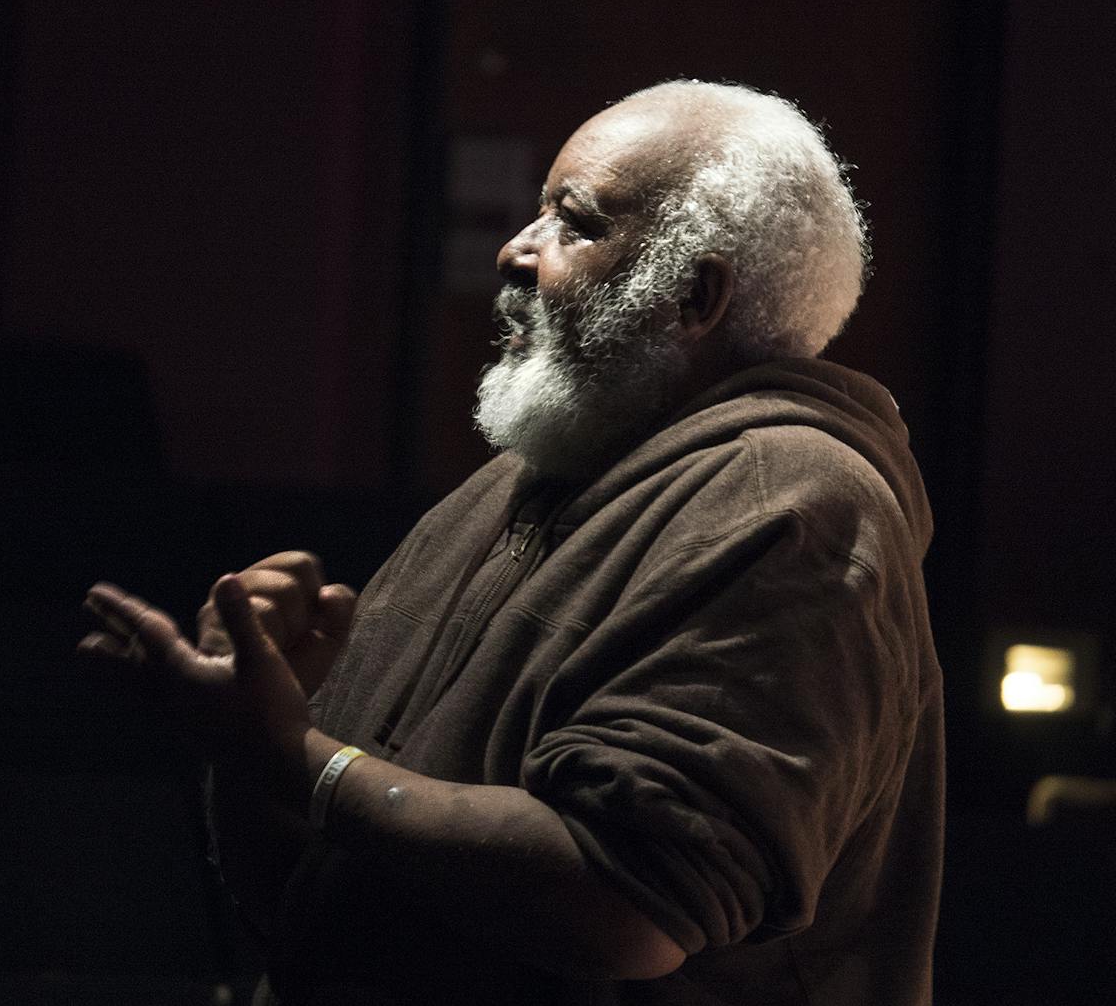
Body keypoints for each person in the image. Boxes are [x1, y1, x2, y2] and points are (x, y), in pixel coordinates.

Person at [80, 80, 943, 1005]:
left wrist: (300, 756)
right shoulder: (533, 475)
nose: (516, 250)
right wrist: (268, 730)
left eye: (574, 221)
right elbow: (320, 901)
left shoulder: (790, 504)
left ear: (695, 294)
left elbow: (633, 902)